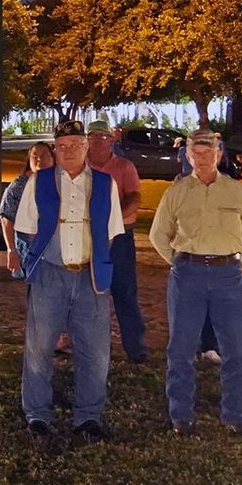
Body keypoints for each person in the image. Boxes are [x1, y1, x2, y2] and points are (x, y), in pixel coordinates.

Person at [8, 121, 125, 441]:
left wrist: (93, 258)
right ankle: (37, 414)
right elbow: (27, 228)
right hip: (49, 275)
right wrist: (51, 255)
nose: (69, 151)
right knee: (39, 348)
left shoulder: (105, 183)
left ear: (87, 147)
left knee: (95, 352)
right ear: (55, 150)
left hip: (91, 277)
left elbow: (112, 232)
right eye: (62, 146)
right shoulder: (39, 182)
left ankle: (88, 416)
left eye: (75, 144)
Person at [149, 130, 242, 434]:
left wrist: (228, 260)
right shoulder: (176, 192)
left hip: (228, 276)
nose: (202, 158)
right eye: (195, 153)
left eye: (207, 152)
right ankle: (180, 416)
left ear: (218, 155)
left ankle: (235, 415)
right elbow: (158, 235)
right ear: (187, 156)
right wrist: (181, 262)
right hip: (188, 275)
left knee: (236, 348)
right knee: (181, 349)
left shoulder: (238, 192)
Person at [87, 119, 148, 363]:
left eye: (102, 137)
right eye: (93, 136)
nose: (98, 141)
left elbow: (133, 197)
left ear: (111, 139)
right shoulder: (80, 168)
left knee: (124, 292)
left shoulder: (124, 167)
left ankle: (135, 348)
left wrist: (111, 220)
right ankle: (90, 349)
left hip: (120, 238)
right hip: (89, 238)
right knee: (90, 293)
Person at [0, 142, 56, 279]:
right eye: (35, 156)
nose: (39, 159)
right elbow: (7, 219)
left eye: (44, 155)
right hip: (29, 249)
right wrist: (11, 250)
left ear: (53, 158)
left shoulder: (62, 182)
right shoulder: (19, 186)